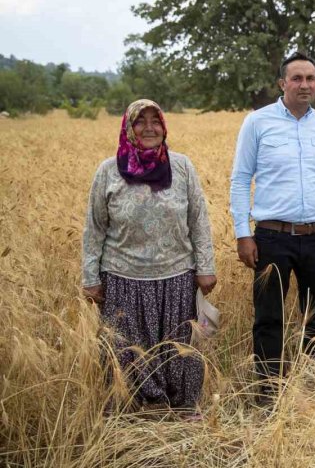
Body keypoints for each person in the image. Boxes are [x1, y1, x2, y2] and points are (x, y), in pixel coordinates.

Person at [82, 99, 216, 413]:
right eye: (140, 122)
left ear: (164, 126)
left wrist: (206, 266)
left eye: (155, 121)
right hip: (122, 278)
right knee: (126, 350)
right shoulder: (108, 171)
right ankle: (132, 409)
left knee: (179, 348)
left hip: (177, 277)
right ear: (128, 127)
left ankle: (181, 407)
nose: (149, 128)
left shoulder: (181, 166)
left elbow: (199, 220)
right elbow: (94, 228)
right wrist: (89, 277)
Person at [230, 51, 315, 381]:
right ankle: (269, 391)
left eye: (310, 78)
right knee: (269, 316)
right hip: (272, 237)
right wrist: (243, 233)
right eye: (296, 78)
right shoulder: (258, 122)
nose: (304, 85)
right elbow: (240, 178)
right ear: (282, 83)